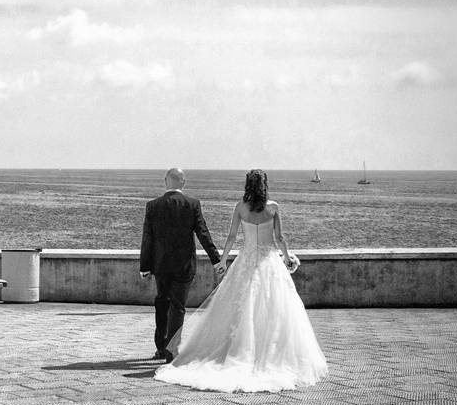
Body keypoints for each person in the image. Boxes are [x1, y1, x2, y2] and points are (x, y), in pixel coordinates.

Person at [154, 169, 328, 392]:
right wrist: (287, 258)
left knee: (240, 308)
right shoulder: (273, 207)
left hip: (245, 262)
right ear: (265, 185)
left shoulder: (240, 207)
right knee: (276, 309)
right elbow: (279, 239)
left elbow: (231, 237)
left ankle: (237, 352)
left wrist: (223, 261)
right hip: (269, 263)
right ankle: (270, 355)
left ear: (247, 185)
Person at [140, 168, 225, 362]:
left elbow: (147, 238)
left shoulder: (153, 205)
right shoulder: (192, 204)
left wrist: (145, 266)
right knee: (178, 307)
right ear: (183, 183)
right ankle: (171, 350)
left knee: (162, 303)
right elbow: (203, 233)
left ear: (165, 181)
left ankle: (161, 348)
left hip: (160, 265)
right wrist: (216, 260)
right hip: (184, 265)